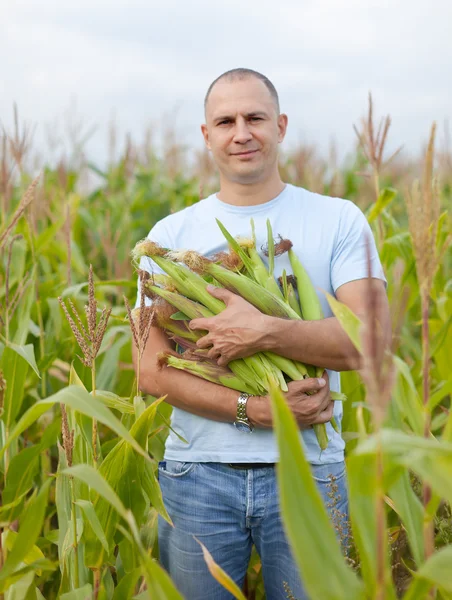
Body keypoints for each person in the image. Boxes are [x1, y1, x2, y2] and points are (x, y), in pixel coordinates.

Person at [133, 68, 390, 600]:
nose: (241, 132)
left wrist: (263, 332)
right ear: (207, 135)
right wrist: (259, 409)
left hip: (312, 472)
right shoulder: (169, 236)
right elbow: (148, 369)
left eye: (255, 117)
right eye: (225, 121)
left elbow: (371, 342)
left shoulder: (338, 221)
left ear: (281, 125)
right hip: (195, 476)